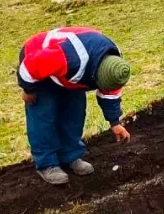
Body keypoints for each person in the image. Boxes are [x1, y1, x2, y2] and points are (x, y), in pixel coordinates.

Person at [18, 26, 132, 185]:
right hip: (37, 63)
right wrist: (28, 89)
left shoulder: (115, 67)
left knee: (75, 114)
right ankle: (47, 163)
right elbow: (30, 66)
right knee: (44, 116)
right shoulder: (70, 57)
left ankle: (70, 155)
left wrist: (115, 123)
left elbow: (109, 95)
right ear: (95, 74)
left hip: (70, 72)